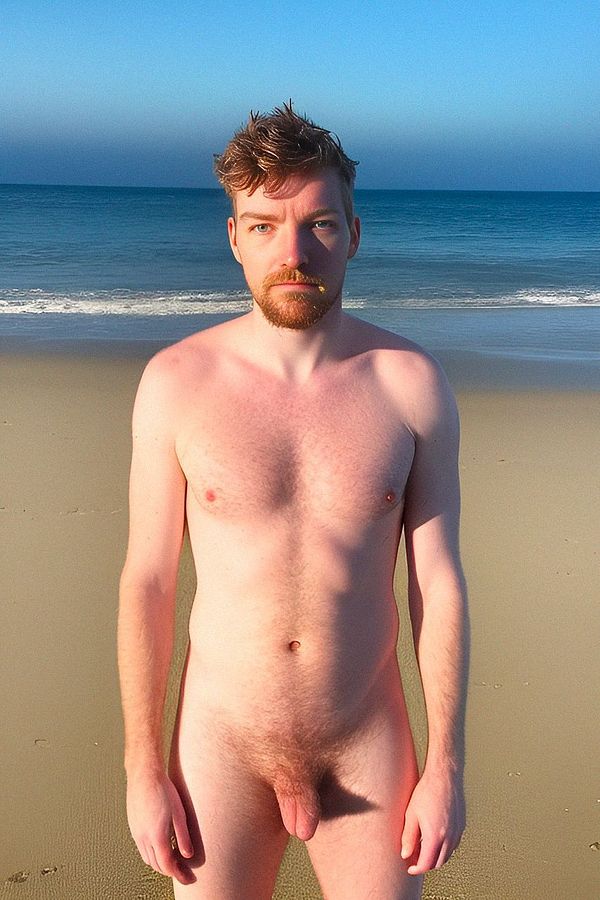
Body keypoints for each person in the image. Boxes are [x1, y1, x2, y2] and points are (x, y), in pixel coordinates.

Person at [118, 102, 469, 900]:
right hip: (220, 745)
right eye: (265, 225)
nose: (294, 252)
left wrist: (445, 765)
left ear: (353, 233)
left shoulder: (411, 385)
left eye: (319, 225)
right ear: (234, 238)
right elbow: (149, 581)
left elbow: (438, 583)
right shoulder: (176, 383)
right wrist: (143, 768)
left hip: (366, 739)